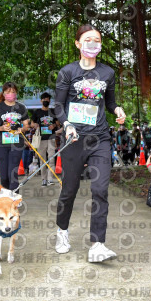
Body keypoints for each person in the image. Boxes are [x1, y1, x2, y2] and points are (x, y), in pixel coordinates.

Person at [53, 24, 126, 263]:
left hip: (100, 138)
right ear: (78, 43)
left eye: (97, 40)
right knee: (69, 190)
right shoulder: (67, 72)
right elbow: (58, 105)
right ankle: (62, 231)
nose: (93, 44)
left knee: (100, 190)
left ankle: (97, 244)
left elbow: (111, 102)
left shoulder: (108, 73)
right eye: (88, 39)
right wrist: (67, 124)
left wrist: (118, 110)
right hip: (74, 139)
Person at [0, 82, 30, 191]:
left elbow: (27, 125)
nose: (11, 94)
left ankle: (14, 197)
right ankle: (6, 195)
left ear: (16, 93)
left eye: (13, 92)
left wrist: (22, 129)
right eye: (8, 92)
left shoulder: (21, 107)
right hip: (0, 145)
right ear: (3, 93)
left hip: (16, 144)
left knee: (12, 174)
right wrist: (1, 128)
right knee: (4, 176)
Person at [32, 92, 60, 187]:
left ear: (49, 101)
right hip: (41, 139)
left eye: (47, 100)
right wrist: (35, 125)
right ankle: (44, 179)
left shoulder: (53, 111)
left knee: (51, 158)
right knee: (42, 159)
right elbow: (31, 123)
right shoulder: (37, 112)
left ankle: (50, 179)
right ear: (41, 101)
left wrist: (54, 125)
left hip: (51, 138)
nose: (46, 101)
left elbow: (58, 123)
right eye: (44, 100)